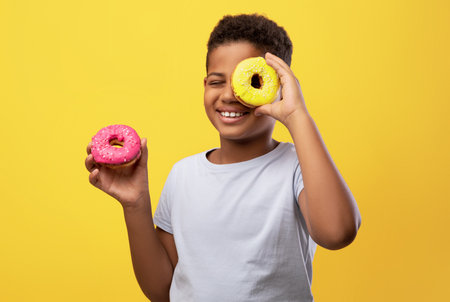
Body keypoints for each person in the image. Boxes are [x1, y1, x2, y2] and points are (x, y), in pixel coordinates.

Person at [85, 13, 361, 302]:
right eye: (217, 82)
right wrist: (136, 204)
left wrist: (297, 116)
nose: (230, 95)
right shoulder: (184, 175)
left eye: (251, 82)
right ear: (204, 85)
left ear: (280, 87)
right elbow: (163, 290)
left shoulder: (298, 167)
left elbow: (337, 232)